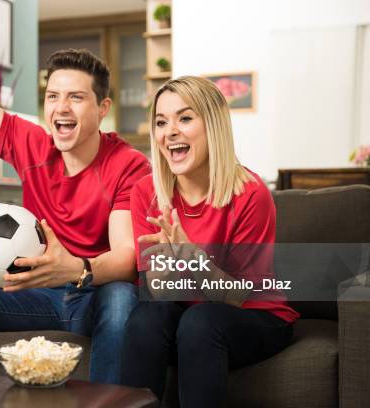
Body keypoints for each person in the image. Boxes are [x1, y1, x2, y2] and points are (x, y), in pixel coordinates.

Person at [0, 0, 150, 384]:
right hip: (37, 294)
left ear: (102, 107)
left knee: (123, 300)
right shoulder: (32, 144)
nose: (62, 107)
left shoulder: (128, 164)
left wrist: (76, 268)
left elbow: (126, 256)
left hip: (95, 291)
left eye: (76, 97)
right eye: (53, 96)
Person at [119, 76, 299, 406]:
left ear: (213, 127)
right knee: (146, 317)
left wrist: (191, 260)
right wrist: (165, 265)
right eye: (161, 122)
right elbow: (155, 291)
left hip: (256, 314)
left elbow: (236, 297)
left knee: (201, 321)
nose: (169, 131)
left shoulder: (250, 194)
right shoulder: (147, 192)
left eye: (185, 118)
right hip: (188, 318)